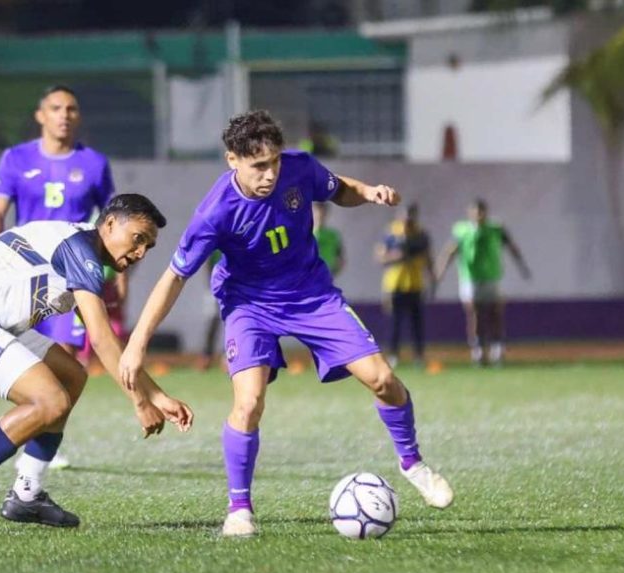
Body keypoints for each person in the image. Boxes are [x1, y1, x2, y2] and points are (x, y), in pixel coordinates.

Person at [119, 110, 453, 538]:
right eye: (259, 165)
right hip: (248, 304)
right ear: (232, 160)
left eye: (274, 161)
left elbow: (337, 189)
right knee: (249, 402)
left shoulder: (298, 168)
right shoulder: (215, 213)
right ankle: (239, 510)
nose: (271, 173)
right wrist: (137, 343)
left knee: (383, 378)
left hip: (311, 293)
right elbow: (174, 278)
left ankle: (414, 465)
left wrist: (368, 192)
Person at [0, 194, 192, 533]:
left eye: (148, 247)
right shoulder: (81, 249)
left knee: (72, 377)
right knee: (50, 401)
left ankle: (26, 493)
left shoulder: (85, 249)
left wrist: (157, 396)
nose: (140, 253)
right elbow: (103, 339)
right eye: (138, 239)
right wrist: (139, 401)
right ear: (109, 224)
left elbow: (105, 342)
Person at [0, 84, 115, 466]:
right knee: (27, 354)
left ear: (78, 116)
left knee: (70, 360)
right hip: (25, 272)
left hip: (72, 275)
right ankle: (36, 424)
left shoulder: (95, 163)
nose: (64, 115)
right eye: (56, 108)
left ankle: (42, 440)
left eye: (71, 108)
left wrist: (118, 272)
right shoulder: (15, 158)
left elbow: (112, 221)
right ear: (41, 115)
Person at [435, 199, 530, 366]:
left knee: (495, 313)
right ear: (470, 213)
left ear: (486, 212)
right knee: (474, 313)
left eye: (481, 211)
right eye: (475, 211)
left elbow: (512, 247)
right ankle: (478, 349)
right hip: (470, 278)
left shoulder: (496, 228)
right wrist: (440, 271)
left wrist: (522, 266)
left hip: (492, 276)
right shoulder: (462, 230)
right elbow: (451, 250)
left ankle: (497, 347)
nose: (478, 215)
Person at [375, 203, 433, 366]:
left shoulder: (421, 235)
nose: (407, 221)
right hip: (395, 284)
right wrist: (397, 256)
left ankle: (418, 356)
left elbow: (428, 258)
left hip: (415, 284)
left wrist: (432, 278)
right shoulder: (391, 233)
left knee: (417, 323)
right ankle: (394, 355)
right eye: (405, 217)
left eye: (411, 217)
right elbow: (380, 257)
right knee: (395, 323)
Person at [313, 202, 345, 277]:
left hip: (325, 278)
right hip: (309, 280)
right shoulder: (305, 234)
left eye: (321, 213)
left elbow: (341, 260)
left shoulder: (332, 236)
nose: (319, 216)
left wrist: (332, 274)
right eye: (316, 212)